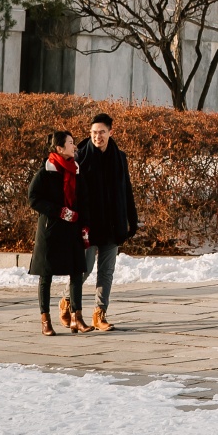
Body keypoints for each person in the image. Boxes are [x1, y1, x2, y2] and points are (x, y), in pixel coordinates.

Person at [77, 112, 140, 332]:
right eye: (94, 132)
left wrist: (132, 219)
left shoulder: (119, 157)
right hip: (88, 224)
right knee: (84, 268)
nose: (97, 137)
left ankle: (99, 313)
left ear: (111, 132)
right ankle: (67, 302)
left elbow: (126, 190)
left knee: (107, 271)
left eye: (102, 132)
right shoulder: (81, 158)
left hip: (113, 224)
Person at [27, 129, 88, 335]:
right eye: (71, 143)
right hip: (51, 229)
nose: (75, 146)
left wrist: (84, 224)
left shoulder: (76, 169)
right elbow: (33, 198)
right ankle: (45, 320)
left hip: (72, 228)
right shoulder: (46, 171)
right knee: (46, 275)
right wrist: (59, 212)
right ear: (60, 148)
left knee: (77, 271)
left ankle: (76, 317)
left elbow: (82, 201)